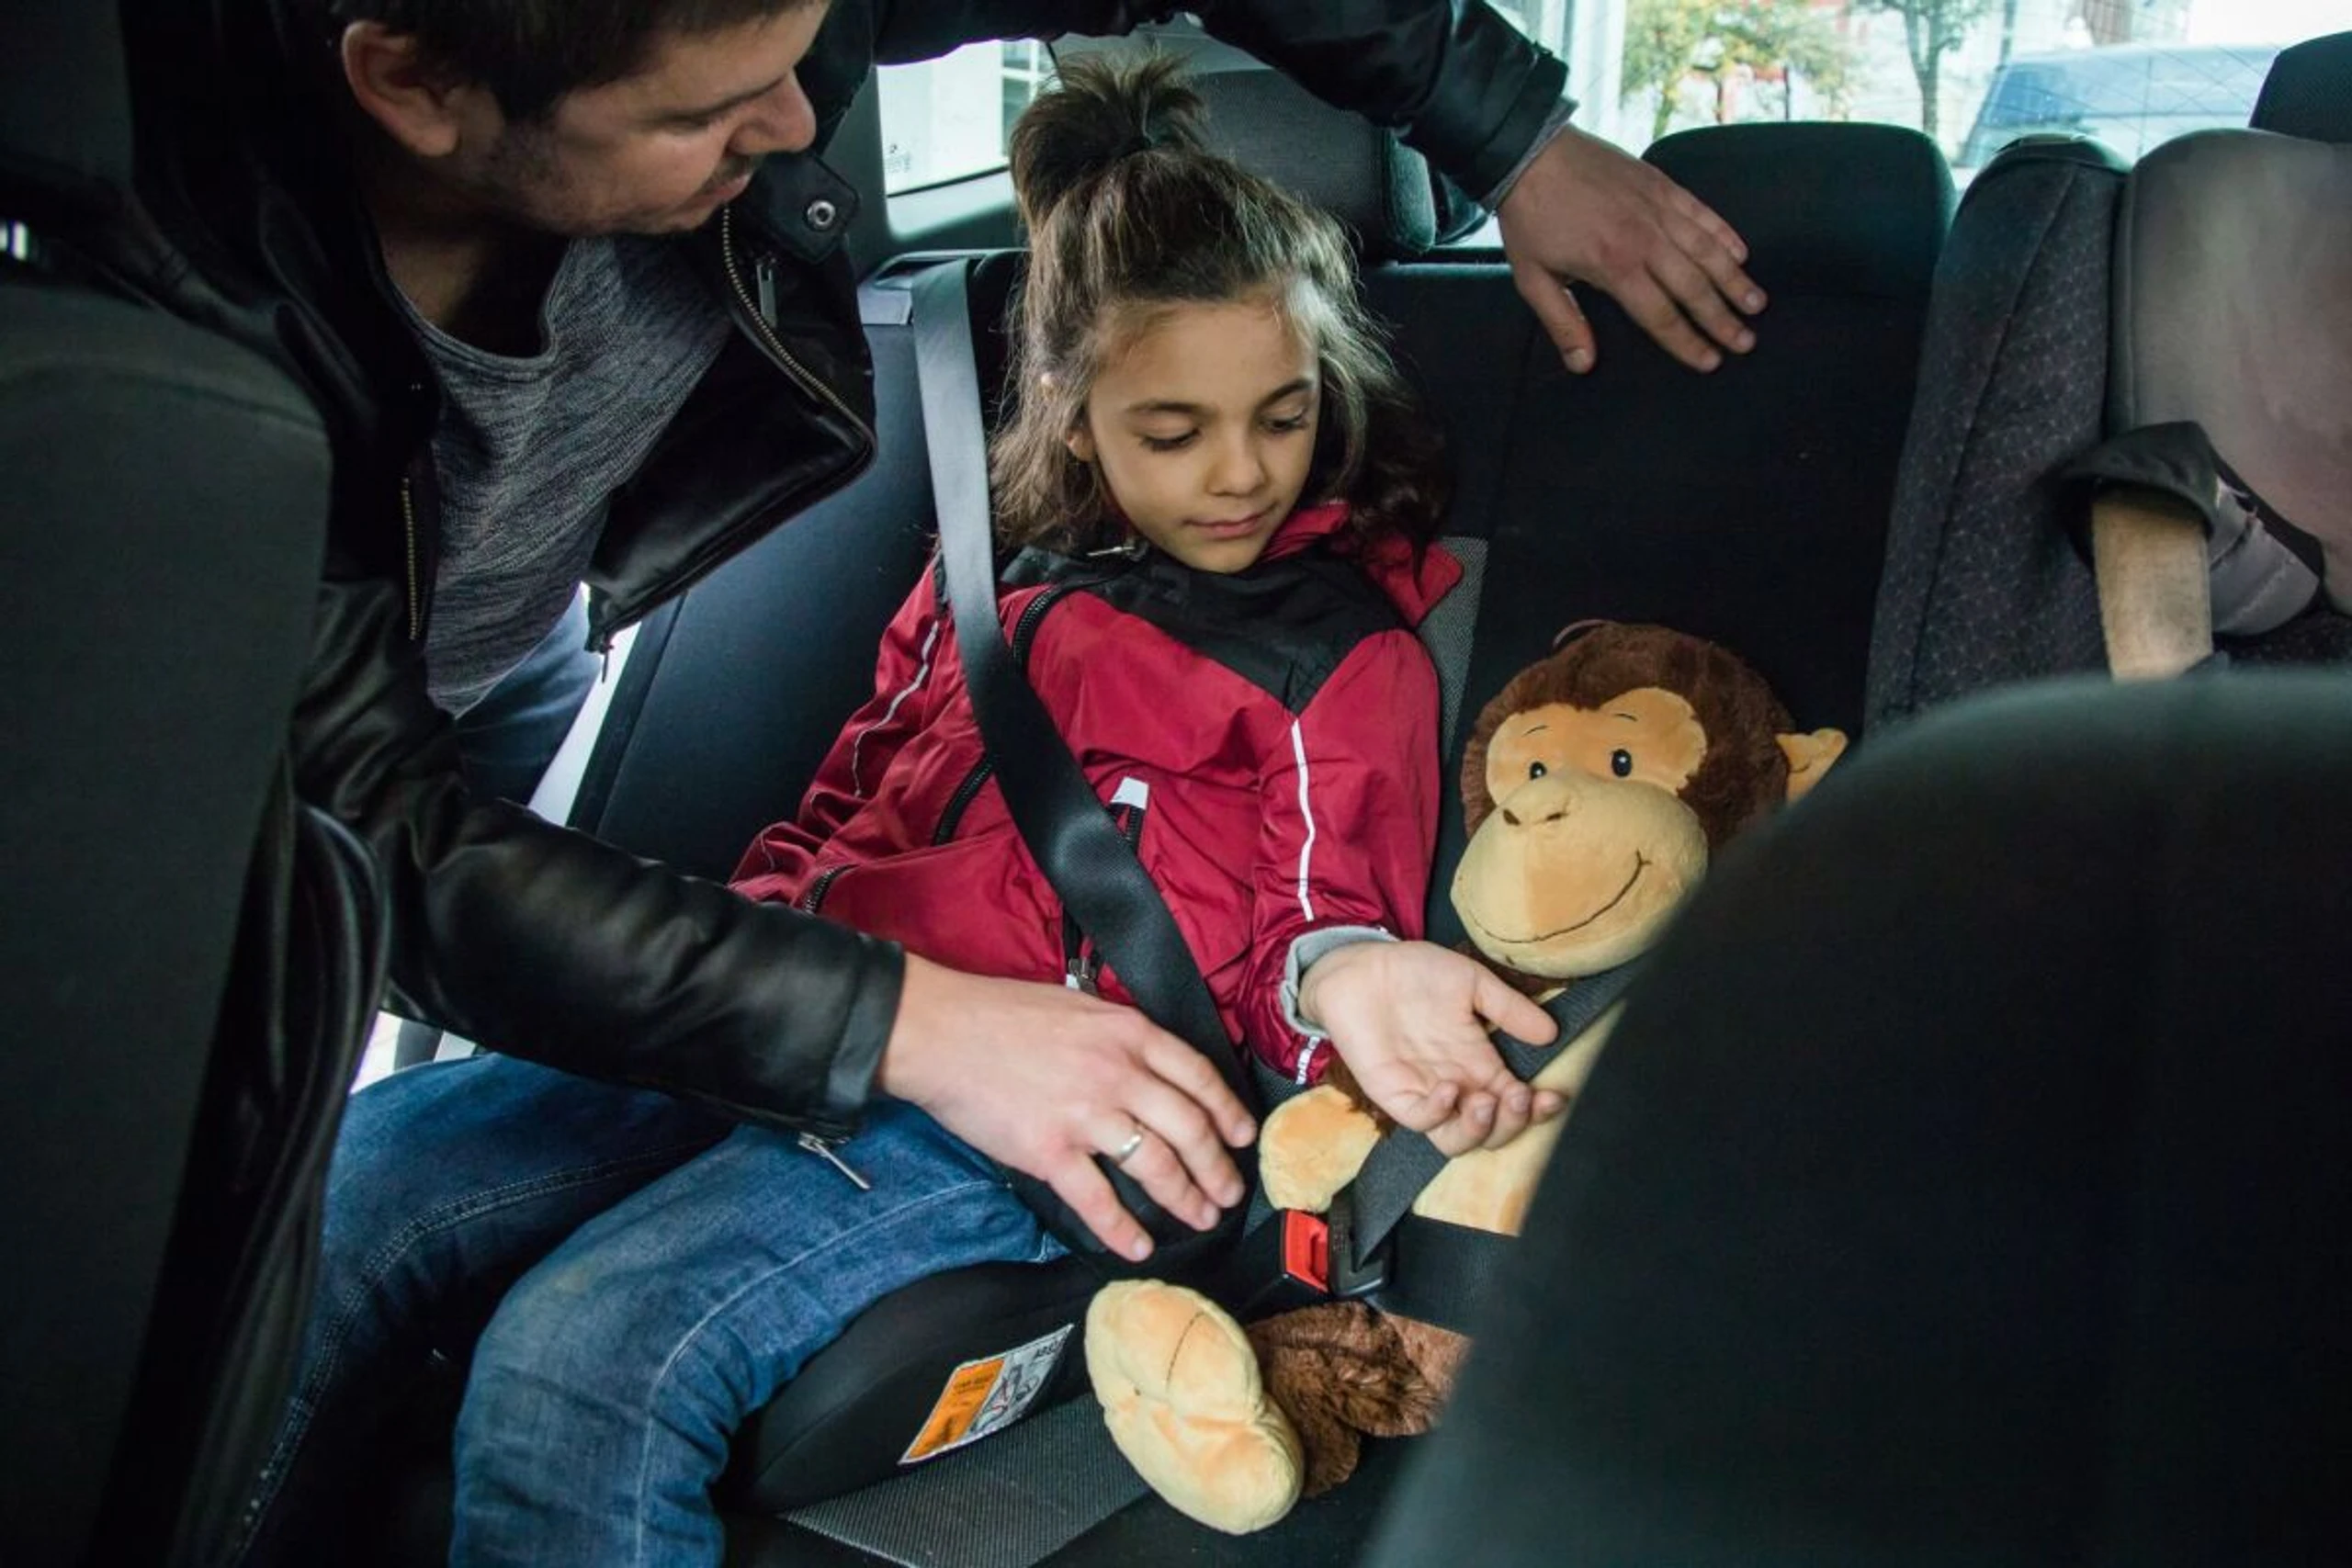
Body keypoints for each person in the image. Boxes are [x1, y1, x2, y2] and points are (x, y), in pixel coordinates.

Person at [238, 55, 1568, 1565]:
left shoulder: (1334, 651)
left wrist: (1356, 976)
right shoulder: (975, 591)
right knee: (339, 1199)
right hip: (811, 1022)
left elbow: (1313, 928)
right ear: (1073, 415)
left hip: (1029, 1124)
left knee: (588, 1346)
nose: (1242, 474)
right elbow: (849, 801)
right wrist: (772, 933)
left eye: (1281, 416)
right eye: (1175, 428)